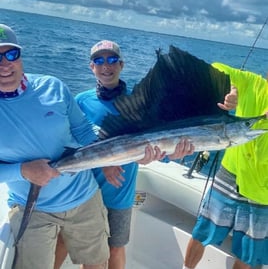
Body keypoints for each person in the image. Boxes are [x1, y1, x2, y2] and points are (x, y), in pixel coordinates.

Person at [54, 40, 195, 269]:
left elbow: (161, 146)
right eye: (99, 60)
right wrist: (103, 165)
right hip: (82, 190)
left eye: (111, 60)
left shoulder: (140, 101)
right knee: (65, 239)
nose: (105, 65)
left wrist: (175, 154)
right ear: (91, 67)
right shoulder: (80, 101)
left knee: (115, 247)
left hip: (119, 192)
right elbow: (69, 143)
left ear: (121, 64)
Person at [0, 24, 112, 269]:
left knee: (97, 264)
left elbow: (84, 132)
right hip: (31, 209)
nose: (4, 64)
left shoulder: (53, 86)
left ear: (20, 57)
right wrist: (23, 170)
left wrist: (120, 154)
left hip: (84, 197)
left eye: (11, 54)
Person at [183, 63, 268, 269]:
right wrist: (229, 89)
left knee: (247, 253)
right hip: (230, 175)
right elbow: (215, 68)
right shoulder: (253, 83)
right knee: (201, 231)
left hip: (262, 190)